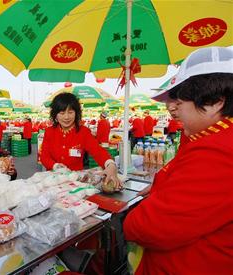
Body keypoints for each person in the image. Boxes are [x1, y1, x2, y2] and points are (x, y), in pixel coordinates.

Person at [124, 46, 233, 274]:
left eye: (180, 99)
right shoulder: (207, 135)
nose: (171, 107)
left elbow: (150, 227)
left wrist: (132, 219)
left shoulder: (218, 151)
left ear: (216, 101)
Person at [39, 93, 121, 187]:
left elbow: (98, 151)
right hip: (53, 180)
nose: (66, 117)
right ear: (55, 115)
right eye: (62, 113)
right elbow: (44, 157)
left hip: (76, 182)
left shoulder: (83, 132)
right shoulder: (49, 132)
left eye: (70, 112)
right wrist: (55, 166)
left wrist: (110, 164)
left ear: (76, 113)